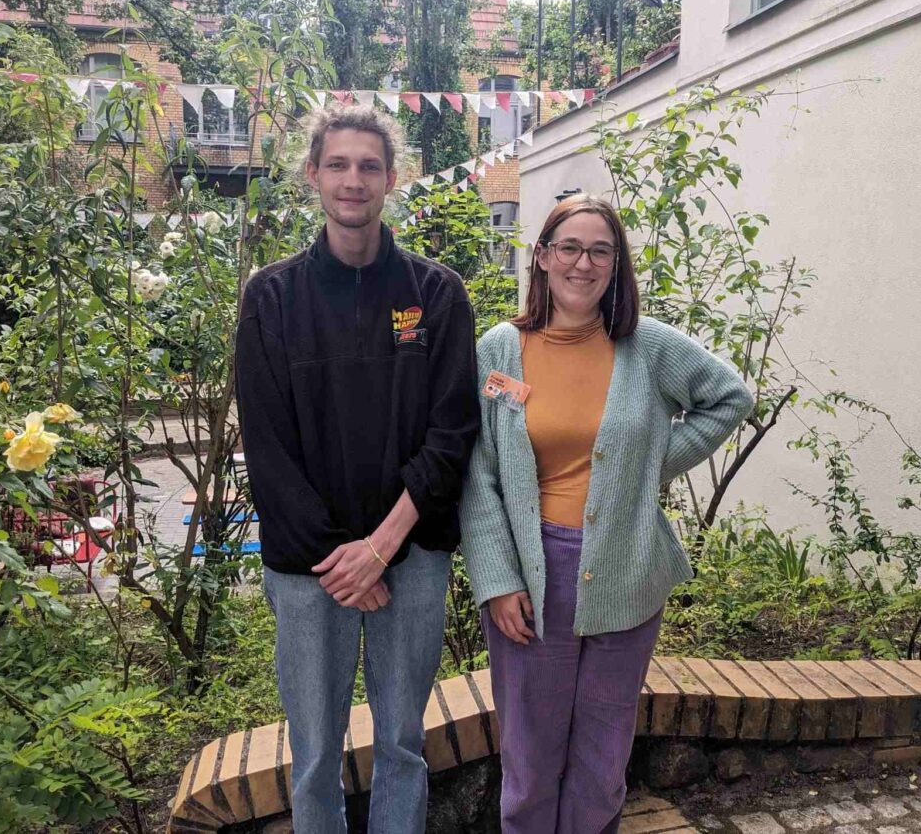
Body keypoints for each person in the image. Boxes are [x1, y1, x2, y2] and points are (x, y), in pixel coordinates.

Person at [460, 194, 753, 834]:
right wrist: (498, 580)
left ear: (616, 265)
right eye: (569, 247)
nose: (584, 263)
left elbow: (731, 398)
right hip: (533, 578)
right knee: (531, 757)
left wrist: (644, 467)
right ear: (541, 258)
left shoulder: (645, 346)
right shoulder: (499, 351)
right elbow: (478, 476)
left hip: (626, 570)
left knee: (603, 752)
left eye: (601, 250)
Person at [234, 104, 480, 834]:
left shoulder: (436, 295)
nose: (353, 180)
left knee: (403, 743)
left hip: (410, 561)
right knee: (313, 754)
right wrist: (342, 558)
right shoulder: (271, 299)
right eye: (337, 164)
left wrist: (381, 550)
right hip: (310, 569)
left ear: (391, 178)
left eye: (369, 166)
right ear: (313, 174)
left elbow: (452, 433)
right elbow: (268, 449)